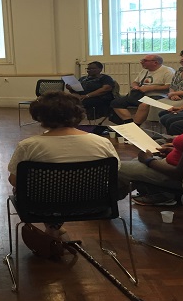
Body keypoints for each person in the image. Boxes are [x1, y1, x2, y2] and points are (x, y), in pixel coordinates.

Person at [7, 91, 120, 240]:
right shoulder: (102, 142)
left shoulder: (28, 146)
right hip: (92, 205)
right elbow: (115, 172)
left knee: (42, 190)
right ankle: (54, 229)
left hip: (40, 208)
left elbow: (15, 181)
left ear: (40, 117)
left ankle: (53, 229)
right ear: (78, 113)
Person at [135, 49, 183, 124]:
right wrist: (173, 93)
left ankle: (167, 127)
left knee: (163, 108)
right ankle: (147, 127)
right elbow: (173, 85)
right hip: (176, 97)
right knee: (152, 105)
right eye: (182, 56)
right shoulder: (180, 70)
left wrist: (177, 93)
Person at [110, 55, 175, 124]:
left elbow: (170, 86)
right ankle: (129, 122)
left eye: (145, 61)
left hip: (158, 95)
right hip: (140, 95)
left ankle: (137, 125)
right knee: (116, 103)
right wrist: (135, 86)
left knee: (144, 104)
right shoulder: (144, 71)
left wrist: (151, 88)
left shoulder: (168, 71)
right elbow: (135, 82)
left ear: (155, 63)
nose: (141, 62)